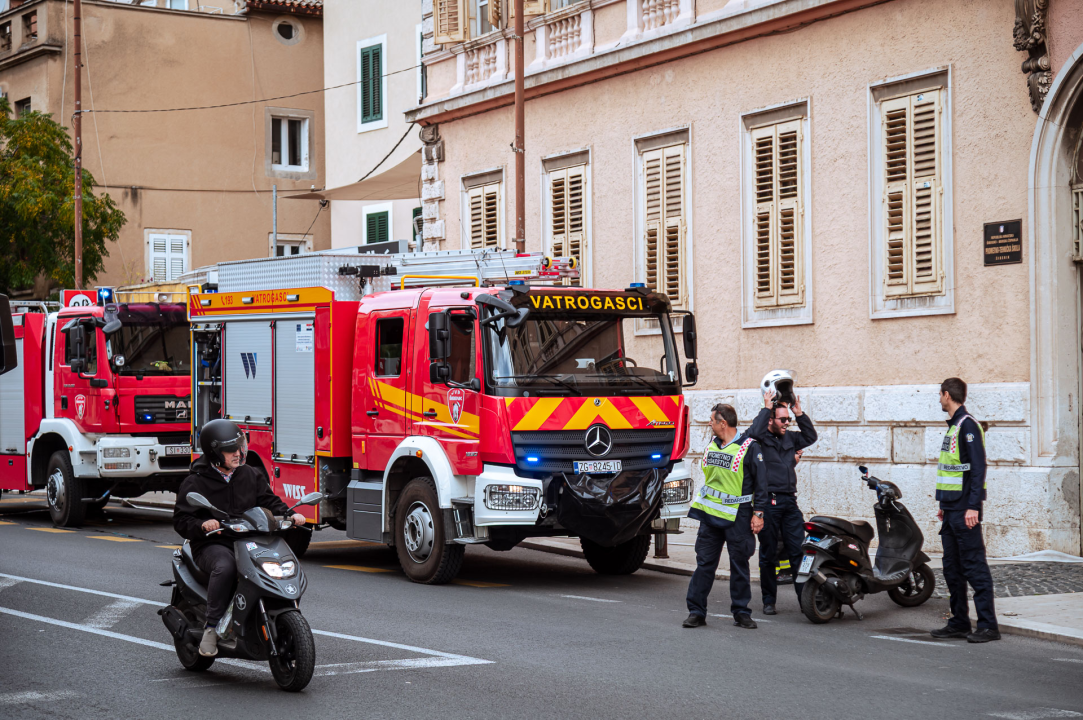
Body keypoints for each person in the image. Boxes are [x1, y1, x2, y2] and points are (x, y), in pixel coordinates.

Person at [173, 419, 304, 657]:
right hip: (212, 543)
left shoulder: (250, 474)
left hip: (248, 539)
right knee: (226, 566)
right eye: (230, 450)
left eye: (239, 446)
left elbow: (269, 501)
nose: (238, 453)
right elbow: (181, 520)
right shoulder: (195, 481)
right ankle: (212, 628)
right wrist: (203, 525)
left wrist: (290, 514)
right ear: (214, 453)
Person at [682, 404, 767, 630]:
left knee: (739, 565)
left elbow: (762, 484)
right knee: (705, 564)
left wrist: (758, 514)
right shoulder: (712, 445)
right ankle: (696, 611)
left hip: (738, 516)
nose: (709, 423)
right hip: (710, 515)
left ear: (723, 423)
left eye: (712, 419)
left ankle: (741, 613)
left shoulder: (750, 447)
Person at [930, 378, 999, 643]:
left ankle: (988, 626)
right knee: (952, 569)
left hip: (964, 511)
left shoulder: (967, 425)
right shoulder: (954, 427)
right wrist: (944, 505)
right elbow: (953, 470)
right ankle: (959, 622)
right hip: (950, 510)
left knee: (974, 567)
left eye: (940, 394)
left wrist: (973, 506)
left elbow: (978, 469)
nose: (939, 399)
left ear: (947, 395)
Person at [749, 389, 817, 615]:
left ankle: (804, 600)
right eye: (783, 419)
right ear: (771, 420)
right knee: (768, 554)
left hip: (789, 503)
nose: (787, 422)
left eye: (789, 419)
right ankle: (769, 600)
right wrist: (766, 407)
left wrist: (800, 413)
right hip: (768, 504)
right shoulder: (760, 439)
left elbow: (811, 437)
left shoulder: (792, 437)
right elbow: (754, 430)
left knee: (798, 552)